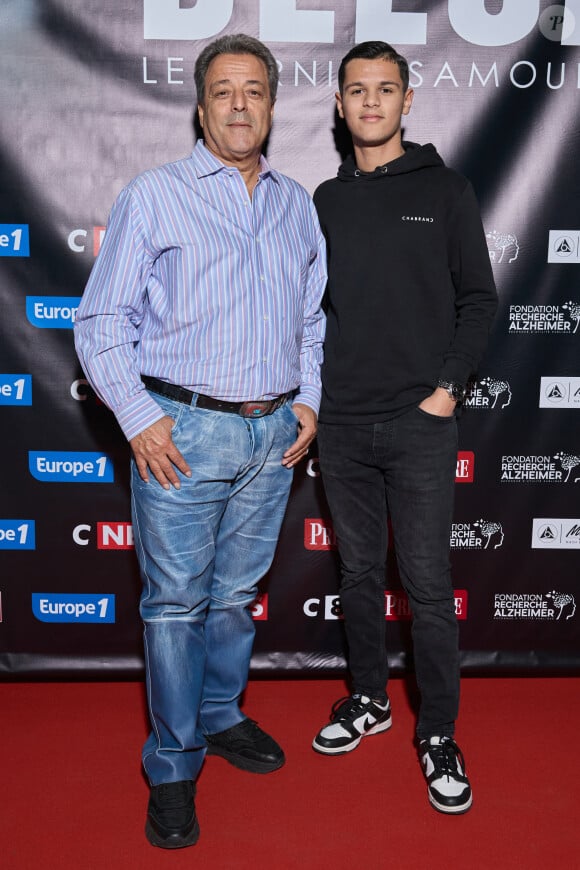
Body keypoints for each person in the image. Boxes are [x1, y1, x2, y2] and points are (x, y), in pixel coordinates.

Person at [74, 33, 326, 849]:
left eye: (254, 90)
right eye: (224, 91)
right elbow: (101, 322)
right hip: (184, 432)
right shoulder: (156, 195)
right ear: (200, 104)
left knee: (231, 596)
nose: (240, 104)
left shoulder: (296, 204)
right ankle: (175, 765)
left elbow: (313, 321)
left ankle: (220, 716)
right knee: (177, 604)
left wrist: (310, 402)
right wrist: (141, 419)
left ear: (274, 104)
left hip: (272, 437)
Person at [311, 41, 497, 815]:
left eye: (385, 89)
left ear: (408, 101)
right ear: (341, 104)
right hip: (343, 424)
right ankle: (369, 699)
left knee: (425, 587)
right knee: (356, 577)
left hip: (421, 423)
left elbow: (480, 301)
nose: (372, 103)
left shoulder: (447, 189)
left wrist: (446, 391)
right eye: (358, 91)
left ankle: (440, 733)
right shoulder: (322, 199)